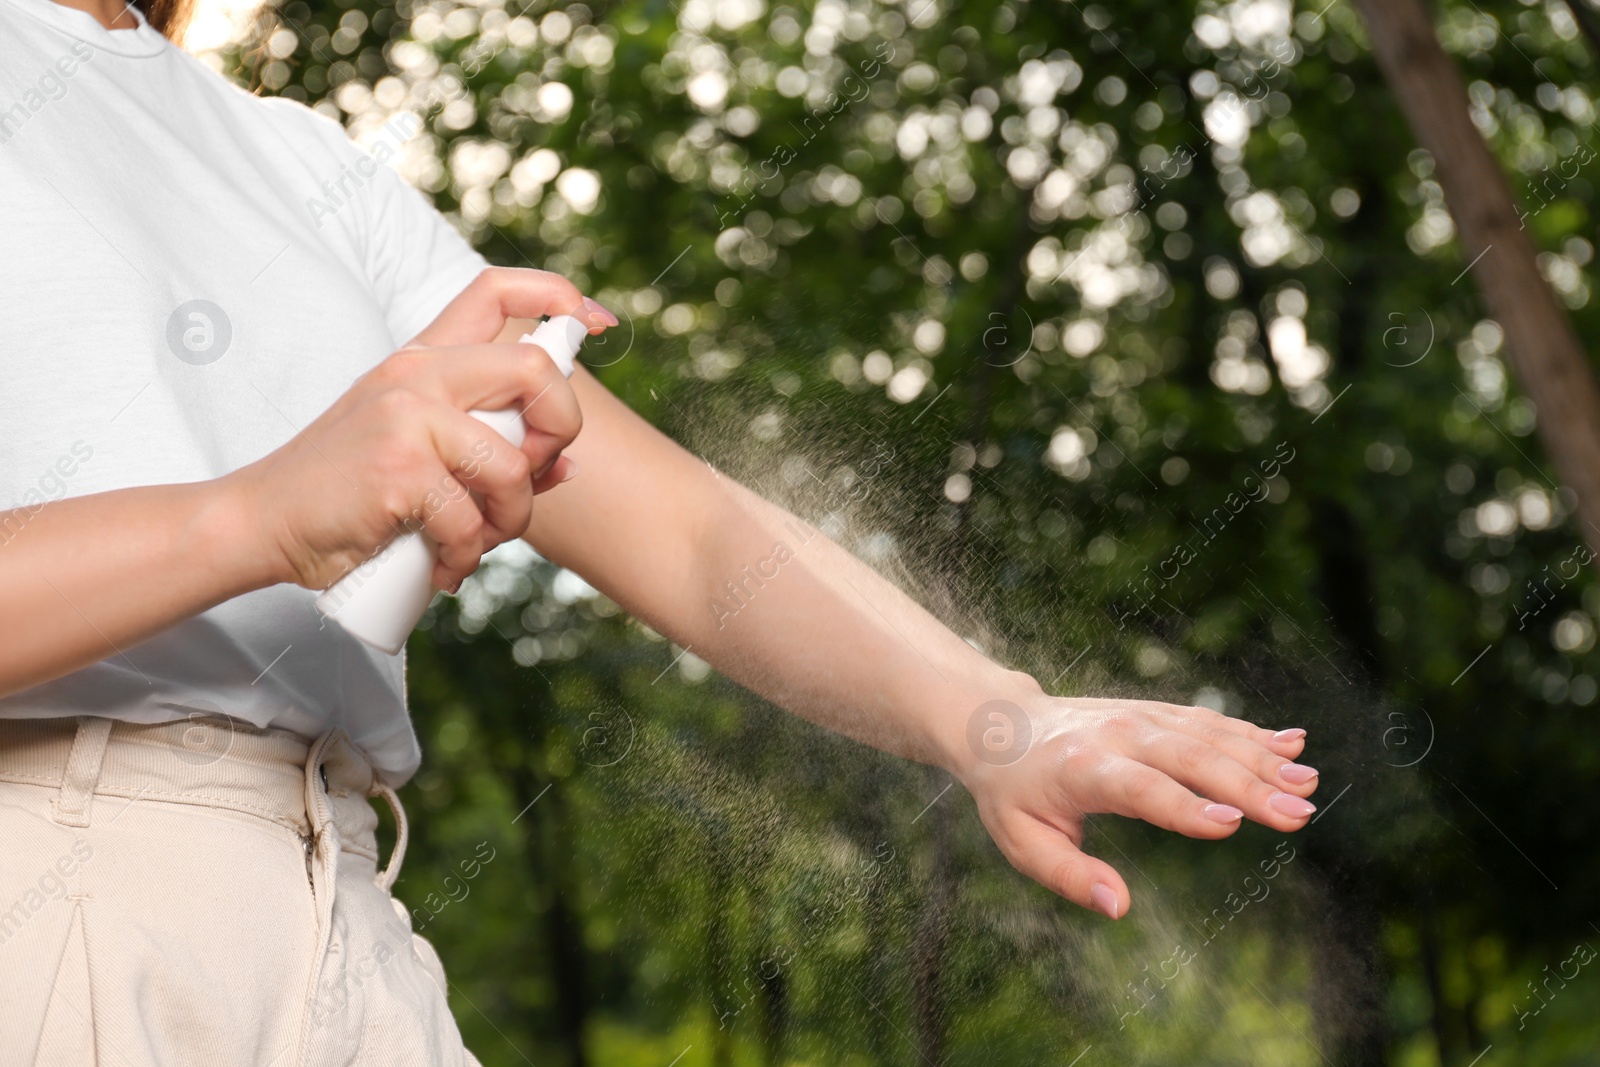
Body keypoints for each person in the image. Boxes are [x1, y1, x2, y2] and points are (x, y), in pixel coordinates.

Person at [0, 0, 1320, 1062]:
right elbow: (288, 509)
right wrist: (260, 516)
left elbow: (681, 530)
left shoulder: (292, 162)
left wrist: (995, 716)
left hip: (338, 908)